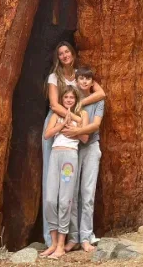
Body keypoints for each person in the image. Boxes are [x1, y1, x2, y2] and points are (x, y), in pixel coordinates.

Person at [42, 42, 106, 246]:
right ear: (57, 57)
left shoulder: (81, 75)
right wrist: (74, 118)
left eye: (67, 51)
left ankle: (78, 236)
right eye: (60, 53)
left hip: (78, 134)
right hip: (58, 126)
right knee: (54, 183)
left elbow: (100, 94)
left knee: (73, 187)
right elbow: (54, 104)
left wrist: (79, 108)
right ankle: (55, 237)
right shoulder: (54, 76)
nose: (64, 55)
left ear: (73, 53)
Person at [41, 86, 89, 259]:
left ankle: (61, 244)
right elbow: (47, 135)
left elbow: (84, 137)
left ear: (75, 99)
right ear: (62, 99)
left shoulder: (82, 115)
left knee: (64, 200)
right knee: (50, 200)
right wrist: (62, 124)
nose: (69, 100)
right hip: (55, 155)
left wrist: (72, 128)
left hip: (69, 158)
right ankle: (53, 243)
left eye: (71, 97)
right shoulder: (56, 115)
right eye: (66, 97)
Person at [62, 66, 105, 252]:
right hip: (71, 149)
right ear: (76, 81)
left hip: (91, 148)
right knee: (71, 193)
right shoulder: (71, 99)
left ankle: (86, 237)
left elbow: (95, 125)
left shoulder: (98, 101)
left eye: (88, 79)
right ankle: (73, 238)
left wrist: (77, 131)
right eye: (81, 79)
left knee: (88, 193)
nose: (85, 82)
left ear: (92, 82)